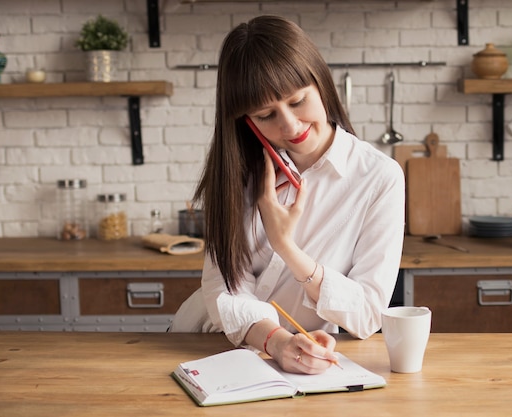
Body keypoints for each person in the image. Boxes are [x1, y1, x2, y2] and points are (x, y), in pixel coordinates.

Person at [170, 15, 405, 375]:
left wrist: (287, 248)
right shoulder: (239, 172)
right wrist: (276, 342)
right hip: (202, 345)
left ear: (320, 83)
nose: (290, 126)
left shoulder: (379, 177)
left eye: (297, 101)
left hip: (300, 362)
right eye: (266, 115)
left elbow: (367, 315)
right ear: (247, 122)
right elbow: (223, 289)